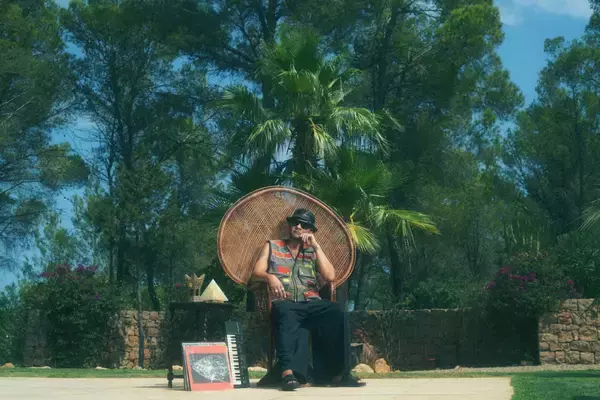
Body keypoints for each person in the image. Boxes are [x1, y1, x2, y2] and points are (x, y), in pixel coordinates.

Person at [252, 208, 364, 391]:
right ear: (289, 226)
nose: (298, 226)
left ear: (310, 230)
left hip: (312, 302)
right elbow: (257, 272)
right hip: (285, 301)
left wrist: (316, 246)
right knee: (286, 313)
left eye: (304, 225)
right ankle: (288, 374)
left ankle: (339, 373)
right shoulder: (272, 245)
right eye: (295, 223)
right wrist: (269, 277)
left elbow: (330, 276)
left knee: (338, 312)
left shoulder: (313, 250)